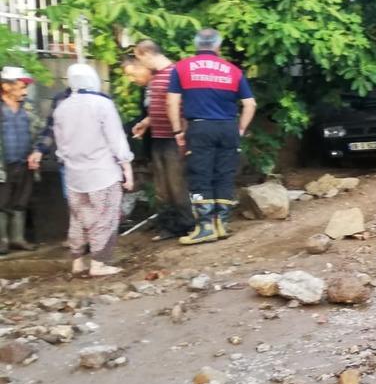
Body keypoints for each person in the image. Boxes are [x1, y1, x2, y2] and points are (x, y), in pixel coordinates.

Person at [165, 28, 256, 245]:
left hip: (200, 128)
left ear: (196, 45)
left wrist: (178, 131)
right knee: (224, 174)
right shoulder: (233, 70)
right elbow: (250, 104)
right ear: (218, 46)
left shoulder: (182, 68)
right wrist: (240, 128)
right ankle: (221, 224)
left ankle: (205, 227)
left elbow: (172, 101)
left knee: (200, 175)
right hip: (228, 127)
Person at [53, 64, 135, 277]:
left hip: (74, 175)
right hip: (102, 172)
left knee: (79, 218)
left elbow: (60, 146)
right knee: (105, 216)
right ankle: (99, 262)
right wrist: (127, 167)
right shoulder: (102, 104)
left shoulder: (61, 108)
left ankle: (78, 261)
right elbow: (116, 138)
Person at [132, 39, 191, 239]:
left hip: (173, 138)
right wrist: (146, 122)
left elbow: (183, 105)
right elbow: (159, 106)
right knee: (162, 187)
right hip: (158, 136)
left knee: (177, 184)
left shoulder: (175, 73)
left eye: (139, 58)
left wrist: (182, 132)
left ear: (145, 53)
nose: (141, 64)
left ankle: (186, 224)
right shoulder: (156, 78)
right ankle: (168, 227)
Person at [0, 65, 40, 254]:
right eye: (21, 86)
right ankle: (3, 241)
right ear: (6, 87)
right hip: (3, 165)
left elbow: (40, 131)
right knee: (2, 202)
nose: (25, 90)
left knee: (21, 201)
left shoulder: (28, 108)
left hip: (25, 162)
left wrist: (37, 151)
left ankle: (18, 238)